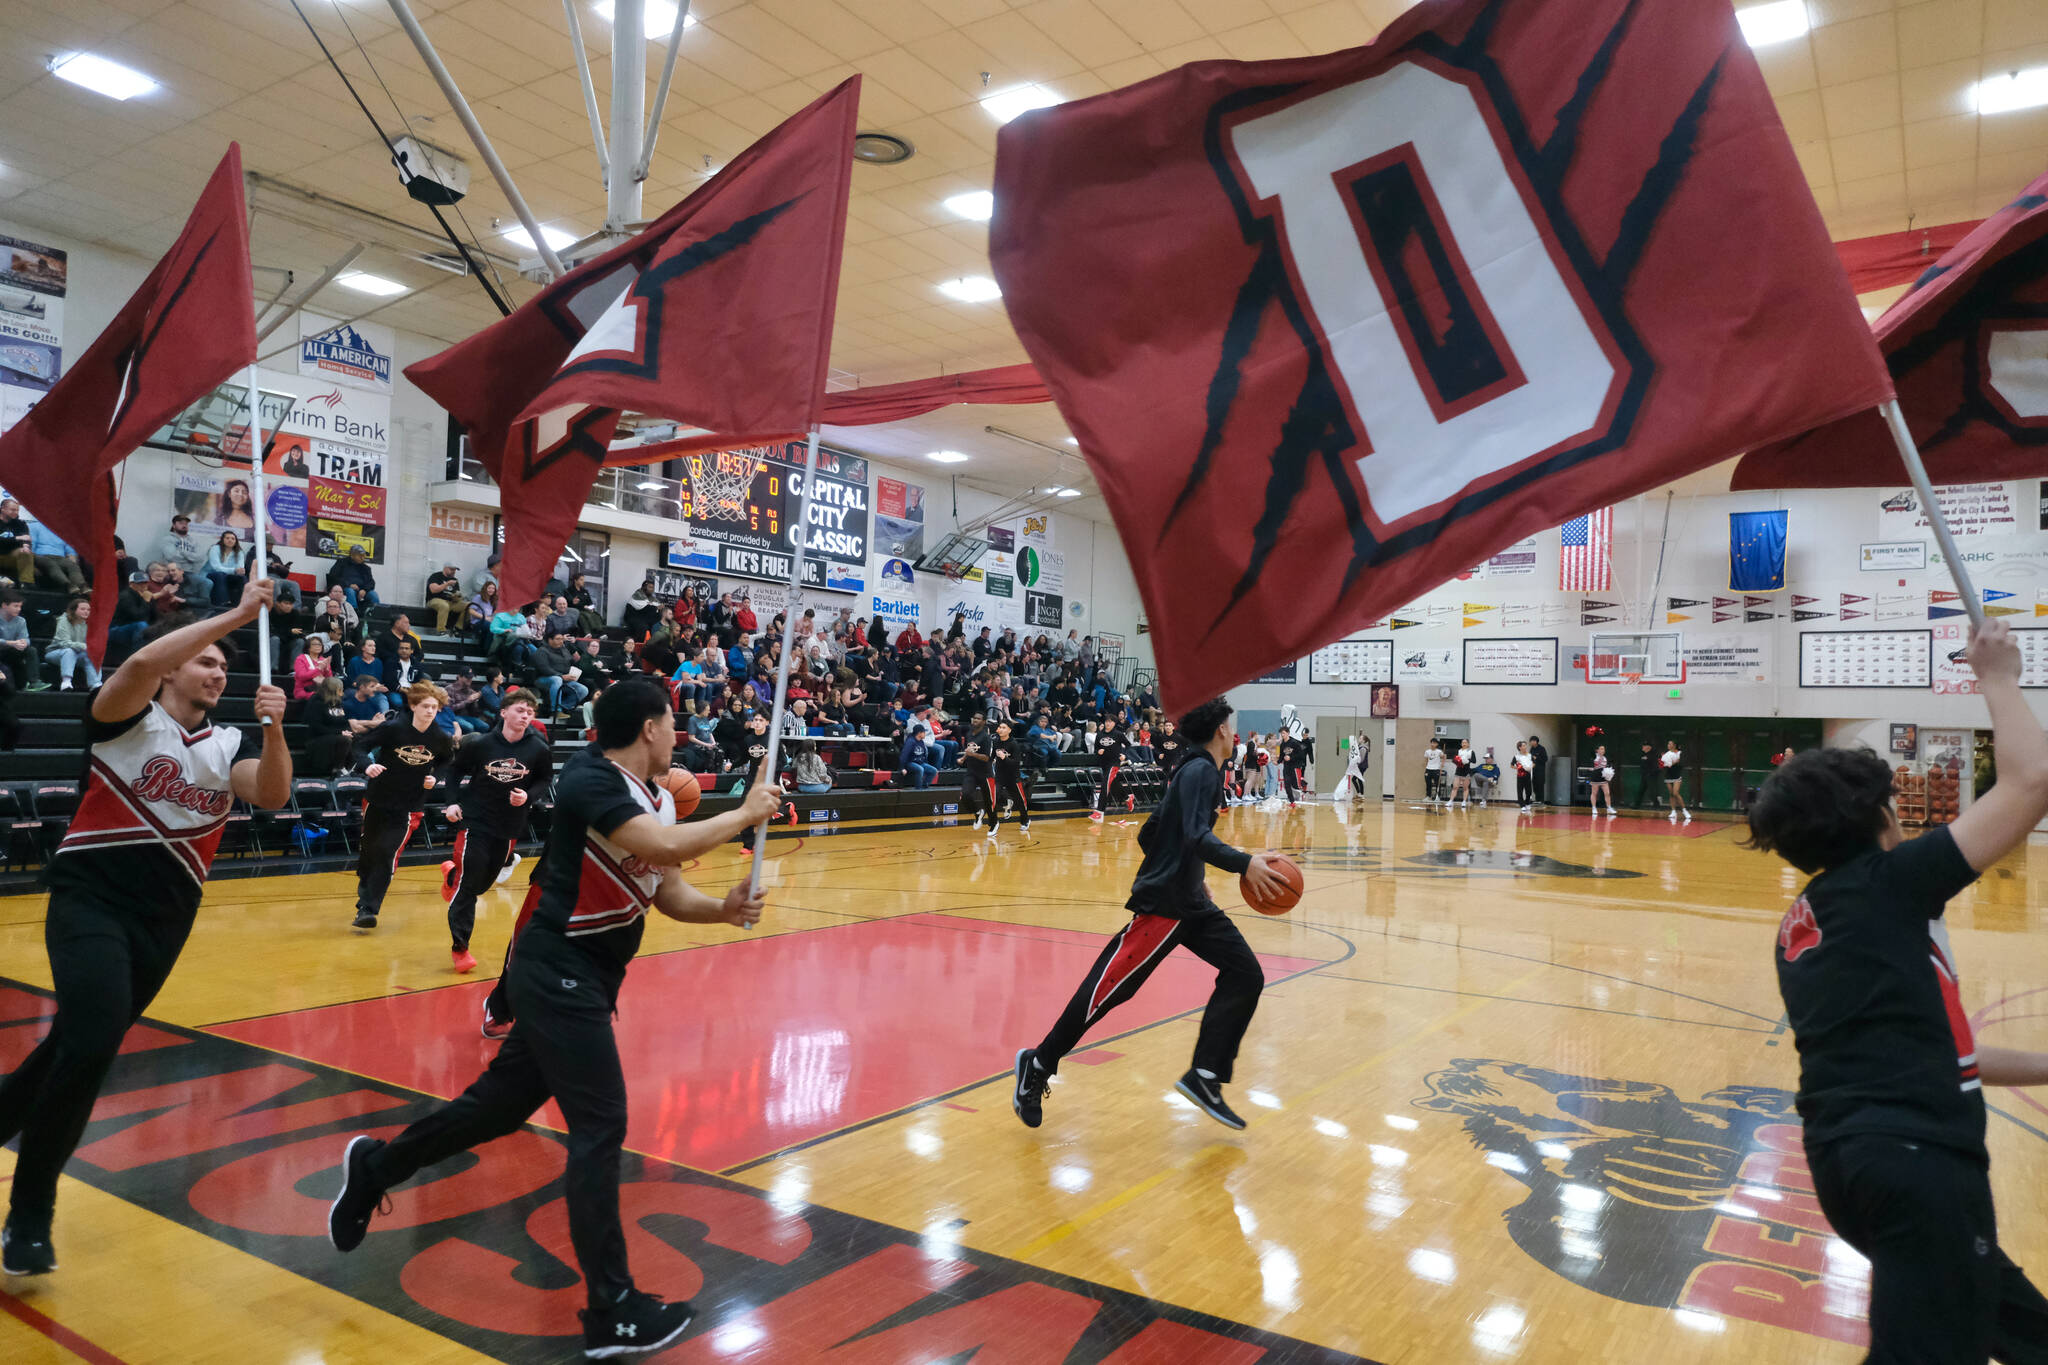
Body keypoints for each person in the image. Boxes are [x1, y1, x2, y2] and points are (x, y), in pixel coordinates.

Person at [329, 681, 784, 1358]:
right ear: (651, 726)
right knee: (601, 1122)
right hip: (554, 967)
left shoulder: (655, 797)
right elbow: (655, 847)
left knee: (496, 1109)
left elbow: (668, 887)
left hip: (593, 975)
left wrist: (722, 907)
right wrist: (742, 813)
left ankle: (375, 1169)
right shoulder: (588, 777)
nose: (678, 733)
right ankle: (613, 1307)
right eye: (672, 722)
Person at [1745, 620, 2048, 1361]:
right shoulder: (1889, 884)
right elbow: (2033, 781)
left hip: (1851, 1164)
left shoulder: (1803, 922)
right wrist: (2000, 677)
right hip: (1918, 1163)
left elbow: (1944, 1050)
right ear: (1883, 819)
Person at [0, 588, 290, 1276]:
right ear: (173, 665)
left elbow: (271, 793)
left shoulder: (227, 743)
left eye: (225, 665)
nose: (218, 671)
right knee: (94, 1036)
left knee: (78, 1042)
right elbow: (134, 668)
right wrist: (235, 615)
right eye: (206, 660)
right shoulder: (125, 715)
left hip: (165, 920)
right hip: (89, 899)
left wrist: (276, 730)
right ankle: (31, 1213)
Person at [1012, 697, 1289, 1134]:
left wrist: (1186, 872)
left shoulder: (1194, 769)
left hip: (1189, 902)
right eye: (1231, 726)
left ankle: (1206, 1075)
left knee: (1245, 974)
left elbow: (1151, 831)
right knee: (1103, 994)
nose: (1234, 733)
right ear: (1220, 731)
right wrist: (1243, 863)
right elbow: (1195, 835)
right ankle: (1039, 1064)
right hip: (1165, 907)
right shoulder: (1199, 771)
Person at [438, 689, 552, 975]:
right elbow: (453, 773)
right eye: (520, 710)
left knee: (481, 884)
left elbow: (545, 777)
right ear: (503, 712)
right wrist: (452, 803)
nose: (525, 715)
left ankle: (451, 874)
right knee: (468, 889)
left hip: (509, 825)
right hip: (475, 822)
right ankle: (460, 949)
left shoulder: (538, 748)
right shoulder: (481, 743)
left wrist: (528, 796)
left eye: (530, 712)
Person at [348, 681, 454, 930]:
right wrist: (367, 765)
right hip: (378, 798)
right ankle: (366, 893)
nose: (430, 711)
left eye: (435, 707)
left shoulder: (439, 737)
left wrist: (435, 777)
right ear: (414, 705)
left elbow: (447, 761)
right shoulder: (394, 728)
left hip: (409, 805)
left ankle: (369, 909)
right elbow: (360, 745)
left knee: (386, 852)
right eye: (426, 706)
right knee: (370, 850)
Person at [302, 676, 354, 776]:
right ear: (333, 690)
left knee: (355, 737)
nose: (342, 692)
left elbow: (345, 722)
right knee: (345, 740)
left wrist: (348, 731)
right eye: (340, 689)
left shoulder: (337, 702)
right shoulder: (316, 702)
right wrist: (340, 732)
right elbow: (316, 726)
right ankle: (338, 769)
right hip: (318, 738)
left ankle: (351, 768)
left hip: (335, 736)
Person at [533, 630, 591, 718]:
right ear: (550, 640)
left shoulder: (564, 650)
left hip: (563, 679)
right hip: (543, 679)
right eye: (558, 639)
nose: (561, 641)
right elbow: (544, 669)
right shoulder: (542, 651)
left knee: (583, 690)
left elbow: (570, 663)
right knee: (557, 679)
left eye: (561, 639)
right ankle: (556, 710)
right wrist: (561, 676)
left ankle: (564, 707)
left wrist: (574, 669)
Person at [47, 599, 100, 692]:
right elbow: (63, 643)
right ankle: (66, 682)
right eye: (83, 609)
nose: (86, 612)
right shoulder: (64, 620)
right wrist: (84, 646)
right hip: (56, 652)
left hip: (78, 654)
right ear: (74, 610)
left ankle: (96, 684)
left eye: (88, 610)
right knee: (69, 651)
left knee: (93, 654)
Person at [989, 720, 1030, 837]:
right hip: (999, 776)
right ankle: (997, 819)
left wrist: (1004, 758)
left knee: (1020, 802)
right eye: (1000, 727)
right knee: (994, 796)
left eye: (1003, 727)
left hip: (1013, 777)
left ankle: (1025, 820)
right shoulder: (996, 742)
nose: (1000, 729)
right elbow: (991, 758)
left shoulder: (1014, 744)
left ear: (1009, 730)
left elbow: (1016, 763)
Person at [0, 590, 46, 692]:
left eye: (20, 606)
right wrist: (10, 643)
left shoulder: (21, 621)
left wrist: (24, 643)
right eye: (15, 606)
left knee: (31, 650)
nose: (19, 609)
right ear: (4, 605)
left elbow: (26, 638)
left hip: (10, 651)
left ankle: (34, 682)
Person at [1091, 722, 1130, 821]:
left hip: (1114, 763)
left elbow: (1128, 745)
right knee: (1113, 783)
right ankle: (1128, 797)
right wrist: (1098, 751)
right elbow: (1096, 748)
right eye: (1106, 721)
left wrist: (1124, 755)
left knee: (1105, 784)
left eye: (1110, 722)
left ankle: (1099, 812)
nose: (1108, 723)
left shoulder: (1118, 734)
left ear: (1114, 723)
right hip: (1104, 763)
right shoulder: (1099, 734)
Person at [154, 512, 206, 586]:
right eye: (181, 523)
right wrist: (191, 558)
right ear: (174, 526)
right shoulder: (167, 539)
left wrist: (183, 552)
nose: (184, 525)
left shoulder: (193, 541)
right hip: (172, 573)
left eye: (186, 524)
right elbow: (172, 557)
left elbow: (200, 557)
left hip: (190, 572)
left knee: (207, 583)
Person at [327, 543, 378, 612]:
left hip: (361, 590)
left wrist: (364, 590)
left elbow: (371, 582)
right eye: (360, 555)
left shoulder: (366, 568)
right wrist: (349, 585)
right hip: (345, 588)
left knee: (373, 594)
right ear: (352, 555)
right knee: (350, 591)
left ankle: (376, 613)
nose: (363, 557)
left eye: (363, 555)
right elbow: (332, 577)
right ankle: (353, 612)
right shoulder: (341, 563)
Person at [203, 531, 247, 608]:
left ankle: (242, 604)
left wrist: (238, 571)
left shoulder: (239, 552)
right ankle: (222, 603)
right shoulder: (215, 548)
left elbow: (239, 569)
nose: (230, 540)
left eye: (233, 539)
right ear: (222, 539)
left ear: (236, 541)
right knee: (220, 575)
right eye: (227, 538)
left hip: (228, 576)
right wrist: (234, 570)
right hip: (211, 574)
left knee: (242, 578)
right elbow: (216, 568)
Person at [292, 634, 334, 701]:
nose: (318, 646)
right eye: (315, 644)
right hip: (304, 691)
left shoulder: (323, 660)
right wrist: (318, 669)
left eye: (320, 644)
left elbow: (330, 680)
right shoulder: (301, 659)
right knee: (319, 698)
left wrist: (327, 670)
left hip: (320, 690)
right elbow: (302, 676)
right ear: (308, 647)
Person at [425, 563, 464, 633]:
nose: (454, 571)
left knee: (468, 606)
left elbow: (456, 594)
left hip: (450, 602)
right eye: (452, 569)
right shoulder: (435, 576)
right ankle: (441, 630)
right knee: (444, 605)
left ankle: (458, 627)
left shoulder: (455, 580)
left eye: (455, 570)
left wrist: (457, 597)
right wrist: (447, 584)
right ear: (445, 568)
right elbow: (433, 590)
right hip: (434, 600)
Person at [1661, 740, 1690, 824]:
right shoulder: (1666, 754)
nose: (1668, 745)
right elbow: (1663, 764)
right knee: (1671, 794)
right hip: (1668, 776)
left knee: (1675, 793)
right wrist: (1664, 763)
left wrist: (1673, 763)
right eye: (1668, 743)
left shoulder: (1679, 753)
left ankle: (1684, 810)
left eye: (1670, 744)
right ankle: (1673, 811)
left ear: (1674, 745)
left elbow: (1680, 763)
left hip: (1677, 776)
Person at [1279, 727, 1309, 807]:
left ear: (1288, 733)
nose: (1282, 735)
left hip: (1294, 766)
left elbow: (1301, 755)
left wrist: (1290, 758)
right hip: (1286, 767)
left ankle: (1302, 791)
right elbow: (1282, 756)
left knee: (1295, 785)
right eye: (1281, 733)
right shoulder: (1282, 744)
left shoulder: (1294, 743)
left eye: (1284, 733)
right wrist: (1277, 761)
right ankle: (1292, 801)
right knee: (1287, 784)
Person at [1587, 745, 1617, 817]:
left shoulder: (1605, 758)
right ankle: (1594, 808)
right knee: (1594, 793)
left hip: (1603, 778)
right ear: (1597, 750)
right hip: (1595, 778)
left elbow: (1606, 767)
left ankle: (1609, 808)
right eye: (1601, 749)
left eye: (1603, 749)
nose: (1603, 750)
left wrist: (1608, 773)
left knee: (1607, 793)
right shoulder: (1594, 756)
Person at [1635, 742, 1662, 810]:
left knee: (1652, 791)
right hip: (1644, 775)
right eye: (1643, 746)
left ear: (1649, 747)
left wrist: (1651, 773)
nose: (1643, 747)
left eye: (1644, 746)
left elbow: (1656, 765)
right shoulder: (1643, 755)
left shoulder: (1654, 755)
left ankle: (1656, 805)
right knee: (1641, 790)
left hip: (1651, 775)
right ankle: (1636, 805)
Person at [1528, 734, 1549, 807]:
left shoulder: (1541, 749)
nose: (1531, 743)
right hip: (1533, 770)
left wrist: (1537, 758)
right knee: (1534, 785)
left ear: (1536, 741)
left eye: (1532, 741)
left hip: (1540, 771)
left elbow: (1545, 759)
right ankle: (1537, 801)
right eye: (1530, 741)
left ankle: (1541, 801)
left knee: (1540, 785)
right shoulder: (1531, 749)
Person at [1513, 741, 1535, 811]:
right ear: (1520, 747)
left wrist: (1530, 767)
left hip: (1527, 774)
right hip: (1520, 775)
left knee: (1529, 791)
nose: (1525, 747)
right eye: (1523, 745)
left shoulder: (1530, 755)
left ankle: (1527, 803)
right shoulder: (1516, 756)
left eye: (1525, 745)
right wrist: (1518, 768)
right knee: (1520, 791)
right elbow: (1511, 765)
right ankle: (1522, 805)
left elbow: (1534, 763)